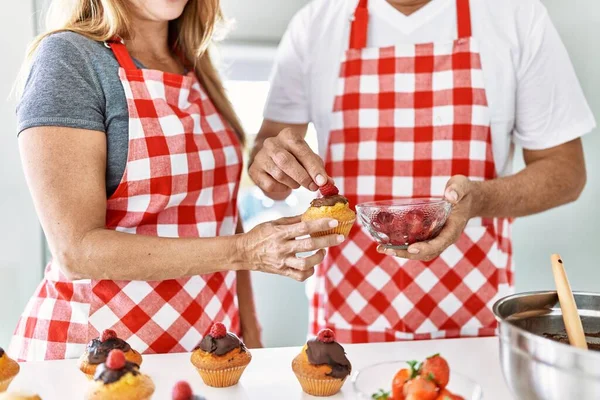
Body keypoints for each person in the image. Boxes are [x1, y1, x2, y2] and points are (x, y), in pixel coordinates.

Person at [10, 0, 344, 361]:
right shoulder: (68, 59)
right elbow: (75, 250)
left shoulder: (192, 66)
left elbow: (223, 214)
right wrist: (245, 251)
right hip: (95, 356)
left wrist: (251, 337)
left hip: (206, 347)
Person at [249, 0, 596, 343]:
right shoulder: (314, 26)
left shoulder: (516, 16)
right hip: (346, 315)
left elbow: (566, 172)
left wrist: (479, 199)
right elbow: (270, 158)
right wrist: (272, 167)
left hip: (473, 315)